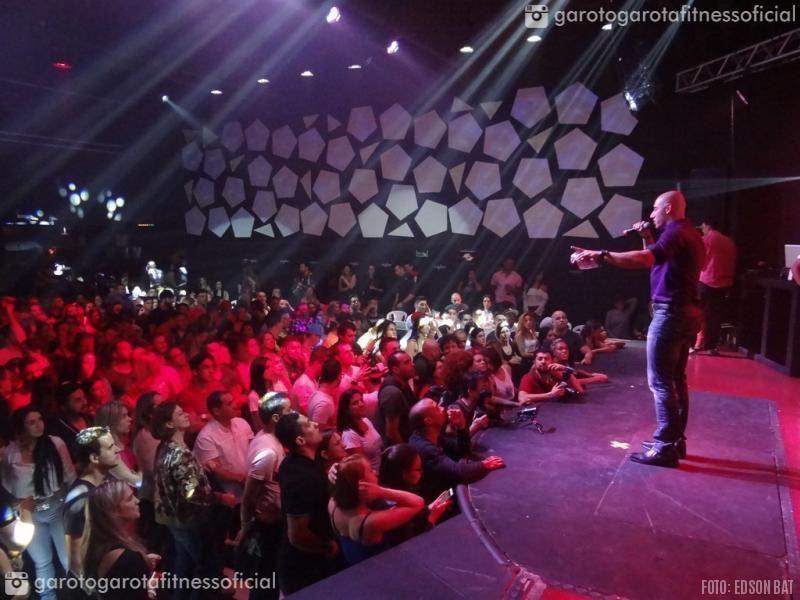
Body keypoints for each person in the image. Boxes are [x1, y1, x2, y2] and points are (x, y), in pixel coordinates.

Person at [571, 190, 704, 468]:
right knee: (676, 379)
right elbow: (660, 262)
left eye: (655, 208)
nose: (651, 214)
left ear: (668, 208)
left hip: (671, 313)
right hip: (686, 312)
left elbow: (646, 260)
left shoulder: (676, 232)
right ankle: (675, 441)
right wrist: (647, 237)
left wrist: (602, 255)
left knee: (661, 382)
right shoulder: (688, 232)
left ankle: (665, 447)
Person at [152, 401, 236, 600]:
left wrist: (198, 472)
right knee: (205, 570)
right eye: (180, 413)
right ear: (169, 424)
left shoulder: (165, 448)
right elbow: (191, 494)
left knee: (185, 567)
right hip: (190, 519)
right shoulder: (181, 454)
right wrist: (220, 498)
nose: (187, 415)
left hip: (175, 519)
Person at [1, 406, 76, 600]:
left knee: (68, 558)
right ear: (21, 428)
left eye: (40, 419)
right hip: (29, 514)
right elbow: (6, 484)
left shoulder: (55, 443)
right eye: (32, 422)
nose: (38, 425)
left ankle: (77, 594)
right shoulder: (10, 453)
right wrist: (17, 502)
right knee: (42, 562)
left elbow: (69, 475)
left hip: (56, 506)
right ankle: (47, 597)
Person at [275, 413, 339, 595]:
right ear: (300, 440)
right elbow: (297, 535)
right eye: (308, 425)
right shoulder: (302, 478)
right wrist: (327, 546)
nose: (315, 424)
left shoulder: (294, 463)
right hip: (305, 568)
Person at [240, 392, 291, 600]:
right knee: (266, 579)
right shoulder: (267, 451)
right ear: (276, 418)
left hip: (274, 521)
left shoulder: (271, 439)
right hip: (268, 525)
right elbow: (250, 495)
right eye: (289, 410)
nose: (294, 413)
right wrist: (246, 526)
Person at [328, 454, 424, 565]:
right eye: (370, 471)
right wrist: (382, 491)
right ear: (362, 484)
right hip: (379, 568)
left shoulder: (332, 504)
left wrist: (337, 471)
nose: (375, 472)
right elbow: (418, 502)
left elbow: (344, 480)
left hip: (351, 563)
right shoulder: (370, 523)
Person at [408, 398, 505, 503]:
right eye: (437, 408)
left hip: (445, 487)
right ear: (428, 421)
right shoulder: (424, 448)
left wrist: (461, 427)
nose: (442, 408)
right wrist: (484, 465)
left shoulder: (431, 435)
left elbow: (460, 451)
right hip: (436, 500)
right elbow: (457, 473)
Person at [83, 480, 160, 600]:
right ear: (114, 511)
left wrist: (141, 564)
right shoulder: (128, 559)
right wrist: (149, 588)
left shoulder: (97, 547)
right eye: (130, 499)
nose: (137, 501)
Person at [63, 426, 121, 577]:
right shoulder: (80, 499)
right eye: (110, 447)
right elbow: (75, 559)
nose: (118, 449)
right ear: (95, 458)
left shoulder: (103, 484)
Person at [695, 219, 737, 354]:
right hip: (723, 284)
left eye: (702, 227)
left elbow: (699, 261)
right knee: (715, 317)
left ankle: (692, 343)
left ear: (707, 226)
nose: (702, 230)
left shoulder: (705, 240)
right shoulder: (729, 242)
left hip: (705, 281)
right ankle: (711, 347)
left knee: (695, 313)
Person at [95, 401, 142, 486]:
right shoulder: (107, 452)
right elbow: (136, 482)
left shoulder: (124, 444)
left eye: (128, 415)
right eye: (124, 416)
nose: (130, 419)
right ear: (111, 421)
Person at [337, 389, 383, 473]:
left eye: (361, 400)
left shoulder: (366, 420)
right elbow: (362, 467)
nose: (361, 404)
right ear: (347, 410)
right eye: (355, 403)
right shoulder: (349, 434)